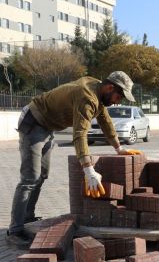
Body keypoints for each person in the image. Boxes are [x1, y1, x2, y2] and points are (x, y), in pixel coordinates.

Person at [6, 71, 143, 248]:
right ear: (110, 87)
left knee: (42, 175)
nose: (118, 101)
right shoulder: (87, 97)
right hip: (34, 121)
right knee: (30, 178)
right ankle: (15, 231)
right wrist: (88, 170)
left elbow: (105, 120)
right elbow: (79, 135)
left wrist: (119, 148)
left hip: (48, 126)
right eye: (119, 96)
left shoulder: (98, 89)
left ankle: (27, 217)